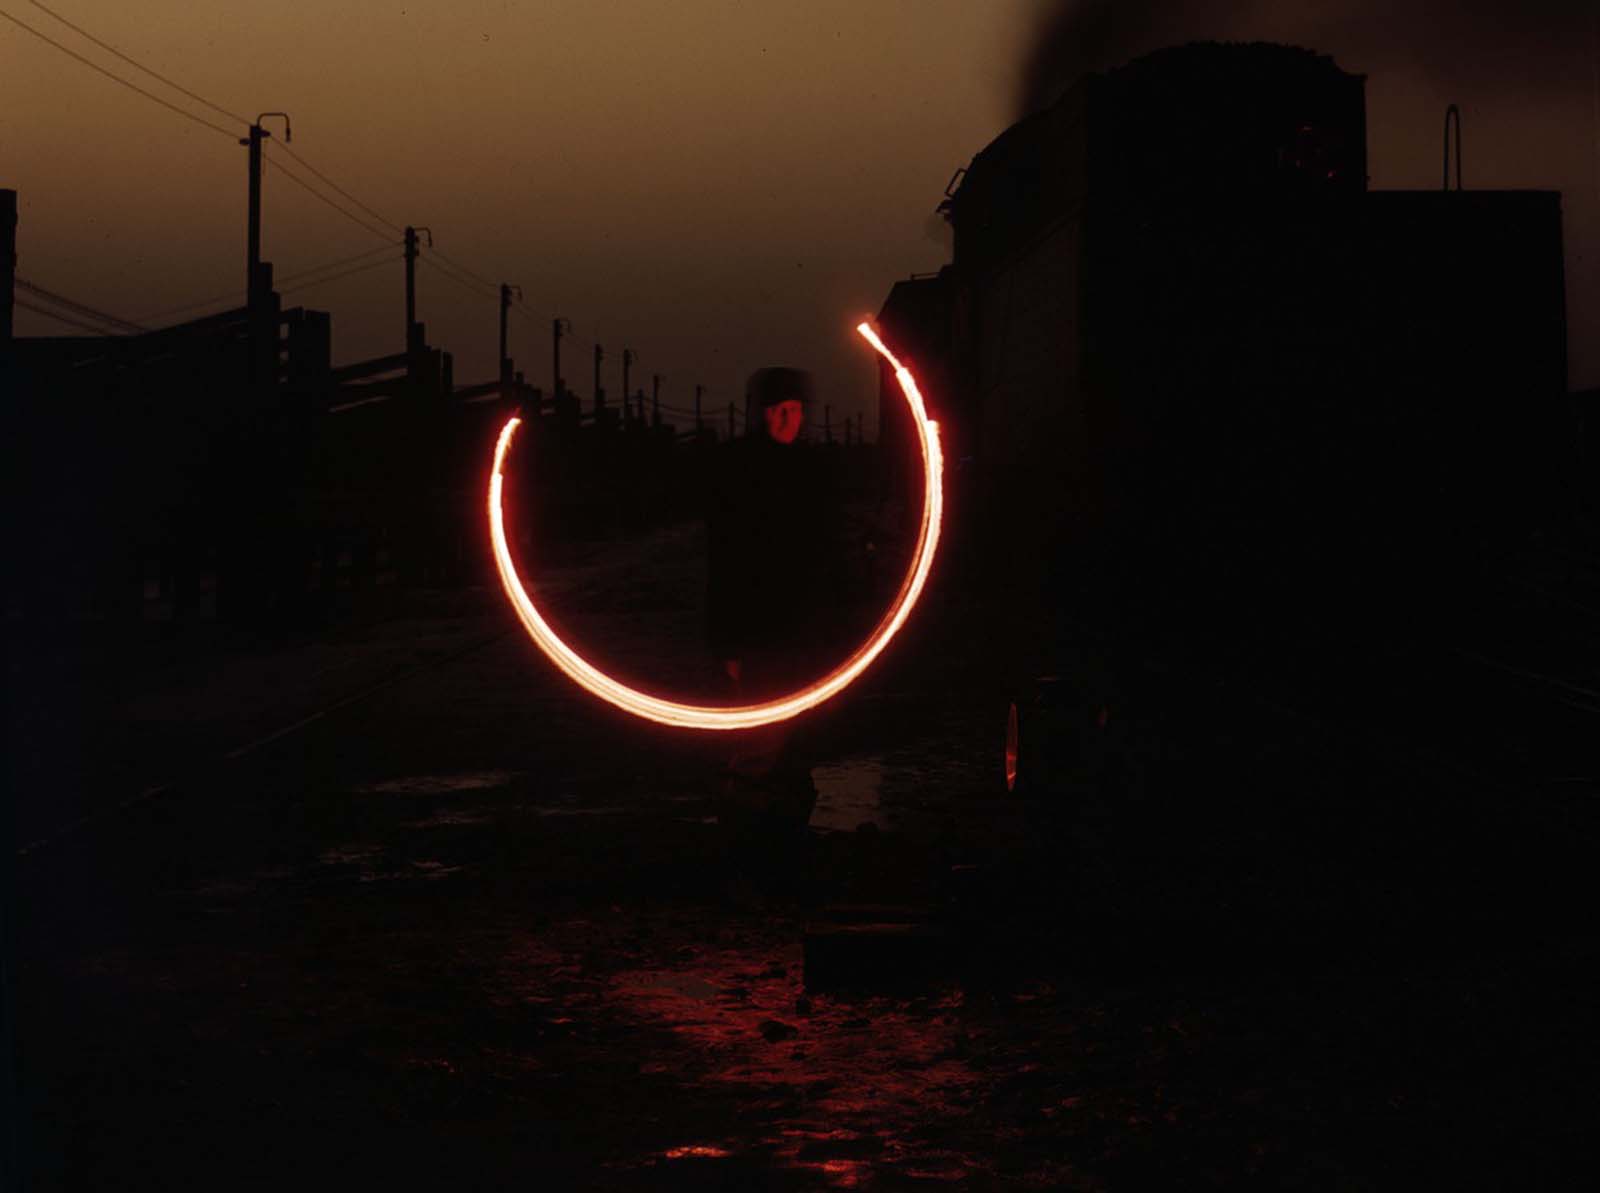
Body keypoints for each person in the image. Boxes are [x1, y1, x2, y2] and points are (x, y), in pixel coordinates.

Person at [705, 368, 848, 850]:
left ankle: (784, 847)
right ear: (761, 413)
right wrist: (727, 643)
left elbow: (825, 553)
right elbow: (724, 561)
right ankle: (745, 852)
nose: (787, 418)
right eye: (777, 409)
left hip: (800, 630)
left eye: (794, 409)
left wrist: (832, 630)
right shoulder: (739, 473)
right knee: (760, 747)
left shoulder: (809, 471)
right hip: (758, 632)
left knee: (796, 746)